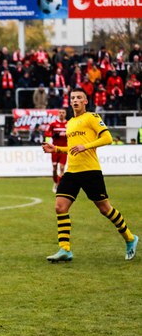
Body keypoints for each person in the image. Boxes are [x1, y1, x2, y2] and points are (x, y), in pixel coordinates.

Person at [42, 89, 138, 262]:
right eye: (73, 98)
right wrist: (56, 149)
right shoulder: (70, 123)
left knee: (105, 209)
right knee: (60, 207)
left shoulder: (92, 117)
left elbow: (107, 138)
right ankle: (65, 249)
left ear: (86, 101)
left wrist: (85, 147)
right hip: (72, 171)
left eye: (79, 97)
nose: (75, 100)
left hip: (90, 170)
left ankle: (130, 238)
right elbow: (72, 148)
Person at [45, 108, 68, 193]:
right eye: (60, 112)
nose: (61, 114)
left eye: (63, 112)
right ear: (58, 114)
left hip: (64, 149)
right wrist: (52, 136)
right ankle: (55, 182)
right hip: (55, 149)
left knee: (62, 168)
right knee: (54, 168)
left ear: (65, 114)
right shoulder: (53, 124)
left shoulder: (69, 124)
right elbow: (47, 133)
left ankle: (59, 184)